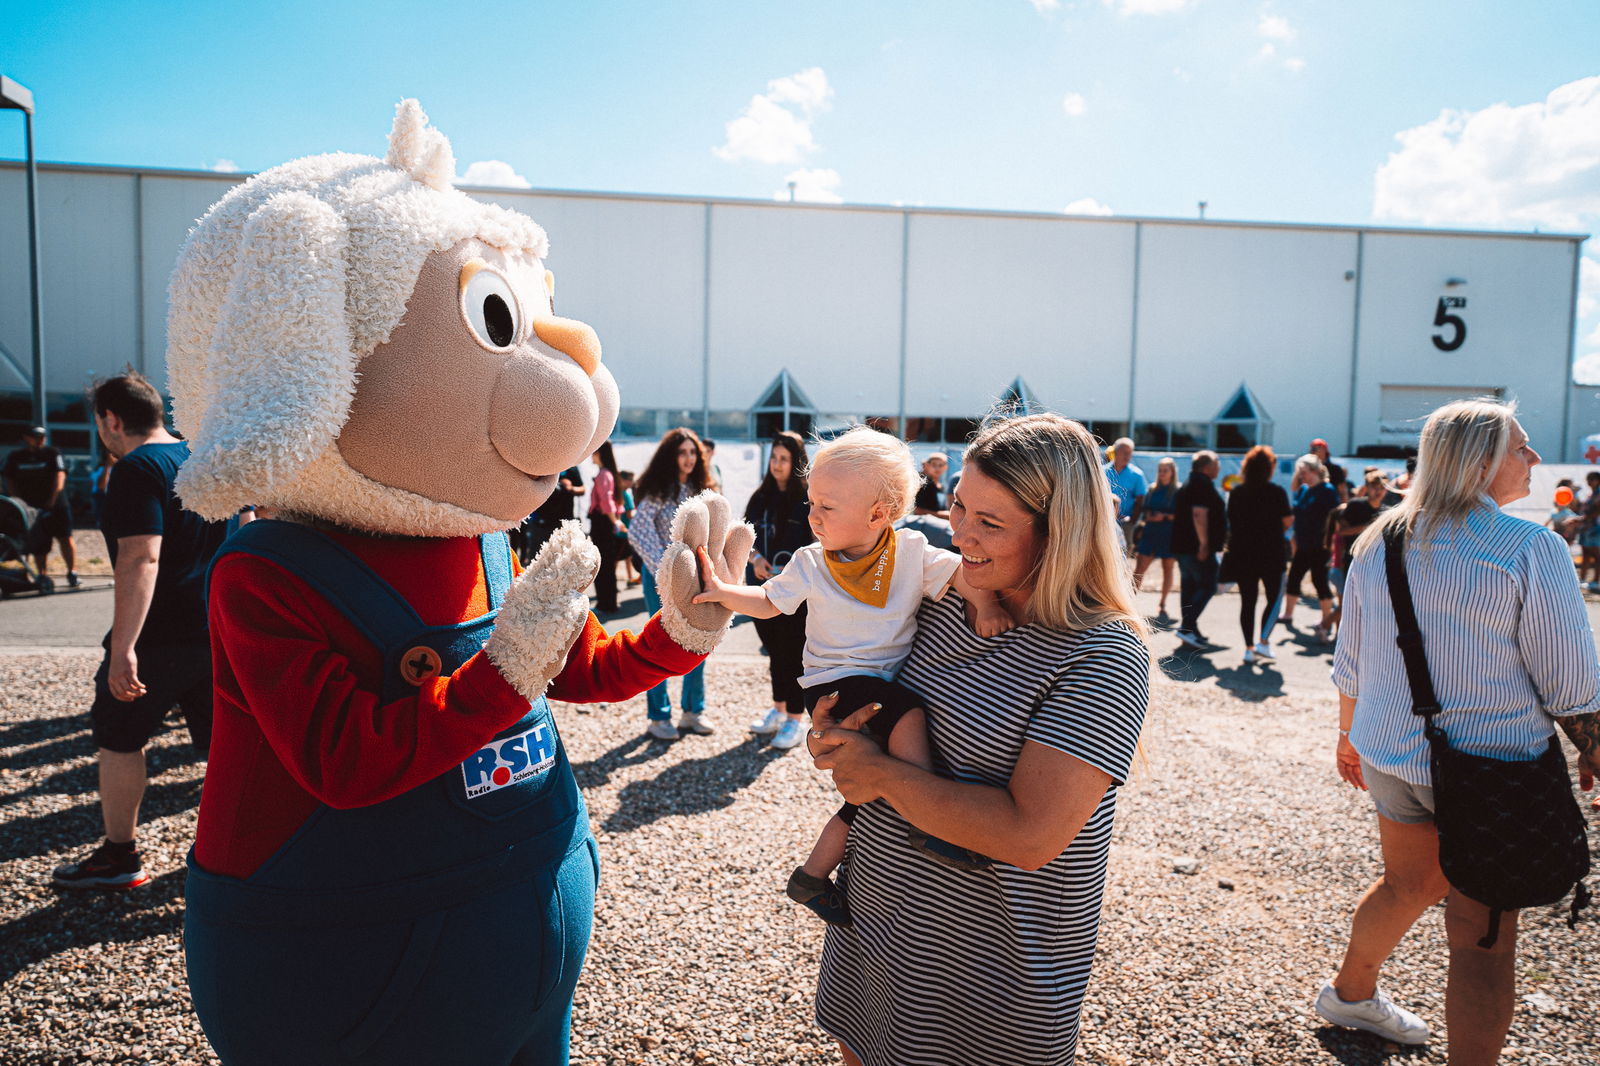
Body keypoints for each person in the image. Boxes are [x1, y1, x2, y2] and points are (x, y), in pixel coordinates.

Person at [800, 413, 1149, 1066]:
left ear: (1061, 533)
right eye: (959, 504)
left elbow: (1029, 835)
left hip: (991, 968)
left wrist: (879, 775)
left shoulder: (1101, 654)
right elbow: (854, 682)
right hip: (875, 925)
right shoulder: (939, 595)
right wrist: (835, 736)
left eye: (990, 523)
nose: (960, 532)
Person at [1320, 399, 1600, 1062]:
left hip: (1392, 753)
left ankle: (1351, 995)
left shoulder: (1380, 538)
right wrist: (1593, 747)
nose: (1534, 459)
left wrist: (1347, 736)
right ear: (1479, 462)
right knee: (1483, 938)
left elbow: (1350, 661)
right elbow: (1571, 688)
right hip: (1489, 768)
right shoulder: (1530, 548)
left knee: (1408, 883)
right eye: (1522, 447)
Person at [694, 426, 1014, 925]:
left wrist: (989, 601)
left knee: (864, 801)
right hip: (832, 681)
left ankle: (811, 877)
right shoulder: (811, 562)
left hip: (871, 685)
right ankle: (929, 812)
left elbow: (961, 576)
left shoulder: (909, 553)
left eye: (826, 506)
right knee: (907, 715)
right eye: (811, 502)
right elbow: (768, 601)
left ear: (878, 514)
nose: (812, 515)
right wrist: (721, 591)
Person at [51, 371, 233, 889]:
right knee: (222, 750)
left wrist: (124, 648)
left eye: (100, 425)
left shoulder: (136, 469)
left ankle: (120, 856)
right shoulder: (198, 457)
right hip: (211, 632)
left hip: (157, 638)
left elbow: (139, 557)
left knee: (121, 740)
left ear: (112, 420)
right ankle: (235, 853)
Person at [629, 428, 715, 739]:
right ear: (671, 455)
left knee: (699, 642)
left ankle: (693, 711)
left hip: (696, 579)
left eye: (693, 452)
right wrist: (664, 568)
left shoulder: (701, 489)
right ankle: (658, 716)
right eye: (682, 452)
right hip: (660, 579)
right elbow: (637, 529)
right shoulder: (659, 490)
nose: (689, 458)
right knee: (660, 644)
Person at [742, 431, 817, 751]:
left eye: (784, 459)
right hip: (761, 589)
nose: (777, 464)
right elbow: (743, 535)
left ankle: (796, 721)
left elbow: (817, 544)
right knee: (774, 652)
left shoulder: (807, 500)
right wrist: (755, 558)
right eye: (774, 457)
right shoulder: (760, 498)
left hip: (795, 594)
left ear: (796, 462)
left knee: (794, 655)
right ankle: (779, 708)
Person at [1221, 445, 1292, 664]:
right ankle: (1263, 641)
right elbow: (1287, 521)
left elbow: (1231, 522)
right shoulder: (1277, 491)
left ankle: (1249, 648)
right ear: (1269, 468)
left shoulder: (1237, 493)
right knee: (1274, 600)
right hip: (1272, 554)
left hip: (1243, 553)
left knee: (1248, 601)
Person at [3, 424, 79, 587]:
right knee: (39, 542)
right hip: (31, 507)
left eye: (43, 437)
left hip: (57, 504)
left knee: (65, 537)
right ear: (26, 438)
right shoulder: (16, 456)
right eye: (36, 437)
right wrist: (16, 499)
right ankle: (42, 575)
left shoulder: (52, 453)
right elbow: (9, 478)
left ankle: (72, 572)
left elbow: (60, 475)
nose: (40, 440)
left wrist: (52, 499)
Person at [1281, 454, 1341, 642]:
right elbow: (1296, 511)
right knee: (1294, 578)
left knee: (1319, 581)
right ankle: (1288, 613)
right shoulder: (1302, 490)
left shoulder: (1327, 490)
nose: (1301, 476)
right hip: (1303, 543)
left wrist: (1332, 542)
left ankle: (1326, 619)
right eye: (1300, 473)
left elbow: (1335, 517)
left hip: (1321, 545)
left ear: (1315, 471)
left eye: (1304, 472)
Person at [1171, 449, 1226, 649]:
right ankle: (1186, 627)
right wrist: (1204, 543)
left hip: (1183, 546)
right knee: (1208, 585)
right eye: (1217, 464)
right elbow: (1198, 514)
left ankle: (1191, 629)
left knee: (1190, 587)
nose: (1219, 468)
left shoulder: (1190, 483)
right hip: (1196, 548)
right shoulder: (1201, 485)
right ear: (1207, 467)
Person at [1132, 456, 1179, 619]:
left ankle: (1163, 604)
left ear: (1172, 472)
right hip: (1150, 534)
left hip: (1169, 536)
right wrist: (1152, 517)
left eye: (1165, 470)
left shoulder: (1178, 492)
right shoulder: (1152, 489)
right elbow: (1145, 510)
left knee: (1168, 569)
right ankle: (1129, 601)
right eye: (1160, 470)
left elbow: (1182, 515)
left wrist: (1165, 517)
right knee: (1139, 570)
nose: (1161, 473)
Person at [519, 464, 585, 566]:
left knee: (561, 563)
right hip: (540, 522)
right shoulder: (543, 465)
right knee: (536, 562)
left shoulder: (571, 467)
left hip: (563, 524)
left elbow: (582, 489)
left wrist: (570, 488)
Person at [587, 442, 624, 613]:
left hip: (601, 523)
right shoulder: (610, 474)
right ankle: (608, 602)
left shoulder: (603, 475)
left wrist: (614, 520)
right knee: (607, 564)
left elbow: (606, 501)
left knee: (603, 565)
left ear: (600, 453)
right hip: (606, 523)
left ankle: (605, 603)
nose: (591, 455)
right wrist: (616, 520)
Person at [1103, 436, 1147, 554]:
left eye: (1130, 453)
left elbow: (1140, 499)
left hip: (1125, 522)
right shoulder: (1102, 471)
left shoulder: (1137, 475)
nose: (1127, 456)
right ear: (1116, 452)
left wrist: (1132, 521)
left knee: (1123, 553)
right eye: (1124, 453)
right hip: (1104, 520)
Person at [1578, 470, 1600, 592]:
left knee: (1596, 556)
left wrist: (1584, 518)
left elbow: (1597, 511)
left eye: (1592, 479)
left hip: (1595, 527)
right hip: (1586, 527)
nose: (1589, 482)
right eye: (1588, 479)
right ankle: (1582, 579)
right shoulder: (1590, 494)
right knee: (1585, 554)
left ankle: (1596, 581)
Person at [912, 452, 950, 518]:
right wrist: (944, 515)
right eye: (934, 465)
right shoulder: (923, 484)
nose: (937, 468)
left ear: (945, 467)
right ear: (927, 466)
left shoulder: (942, 487)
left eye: (941, 465)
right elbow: (917, 511)